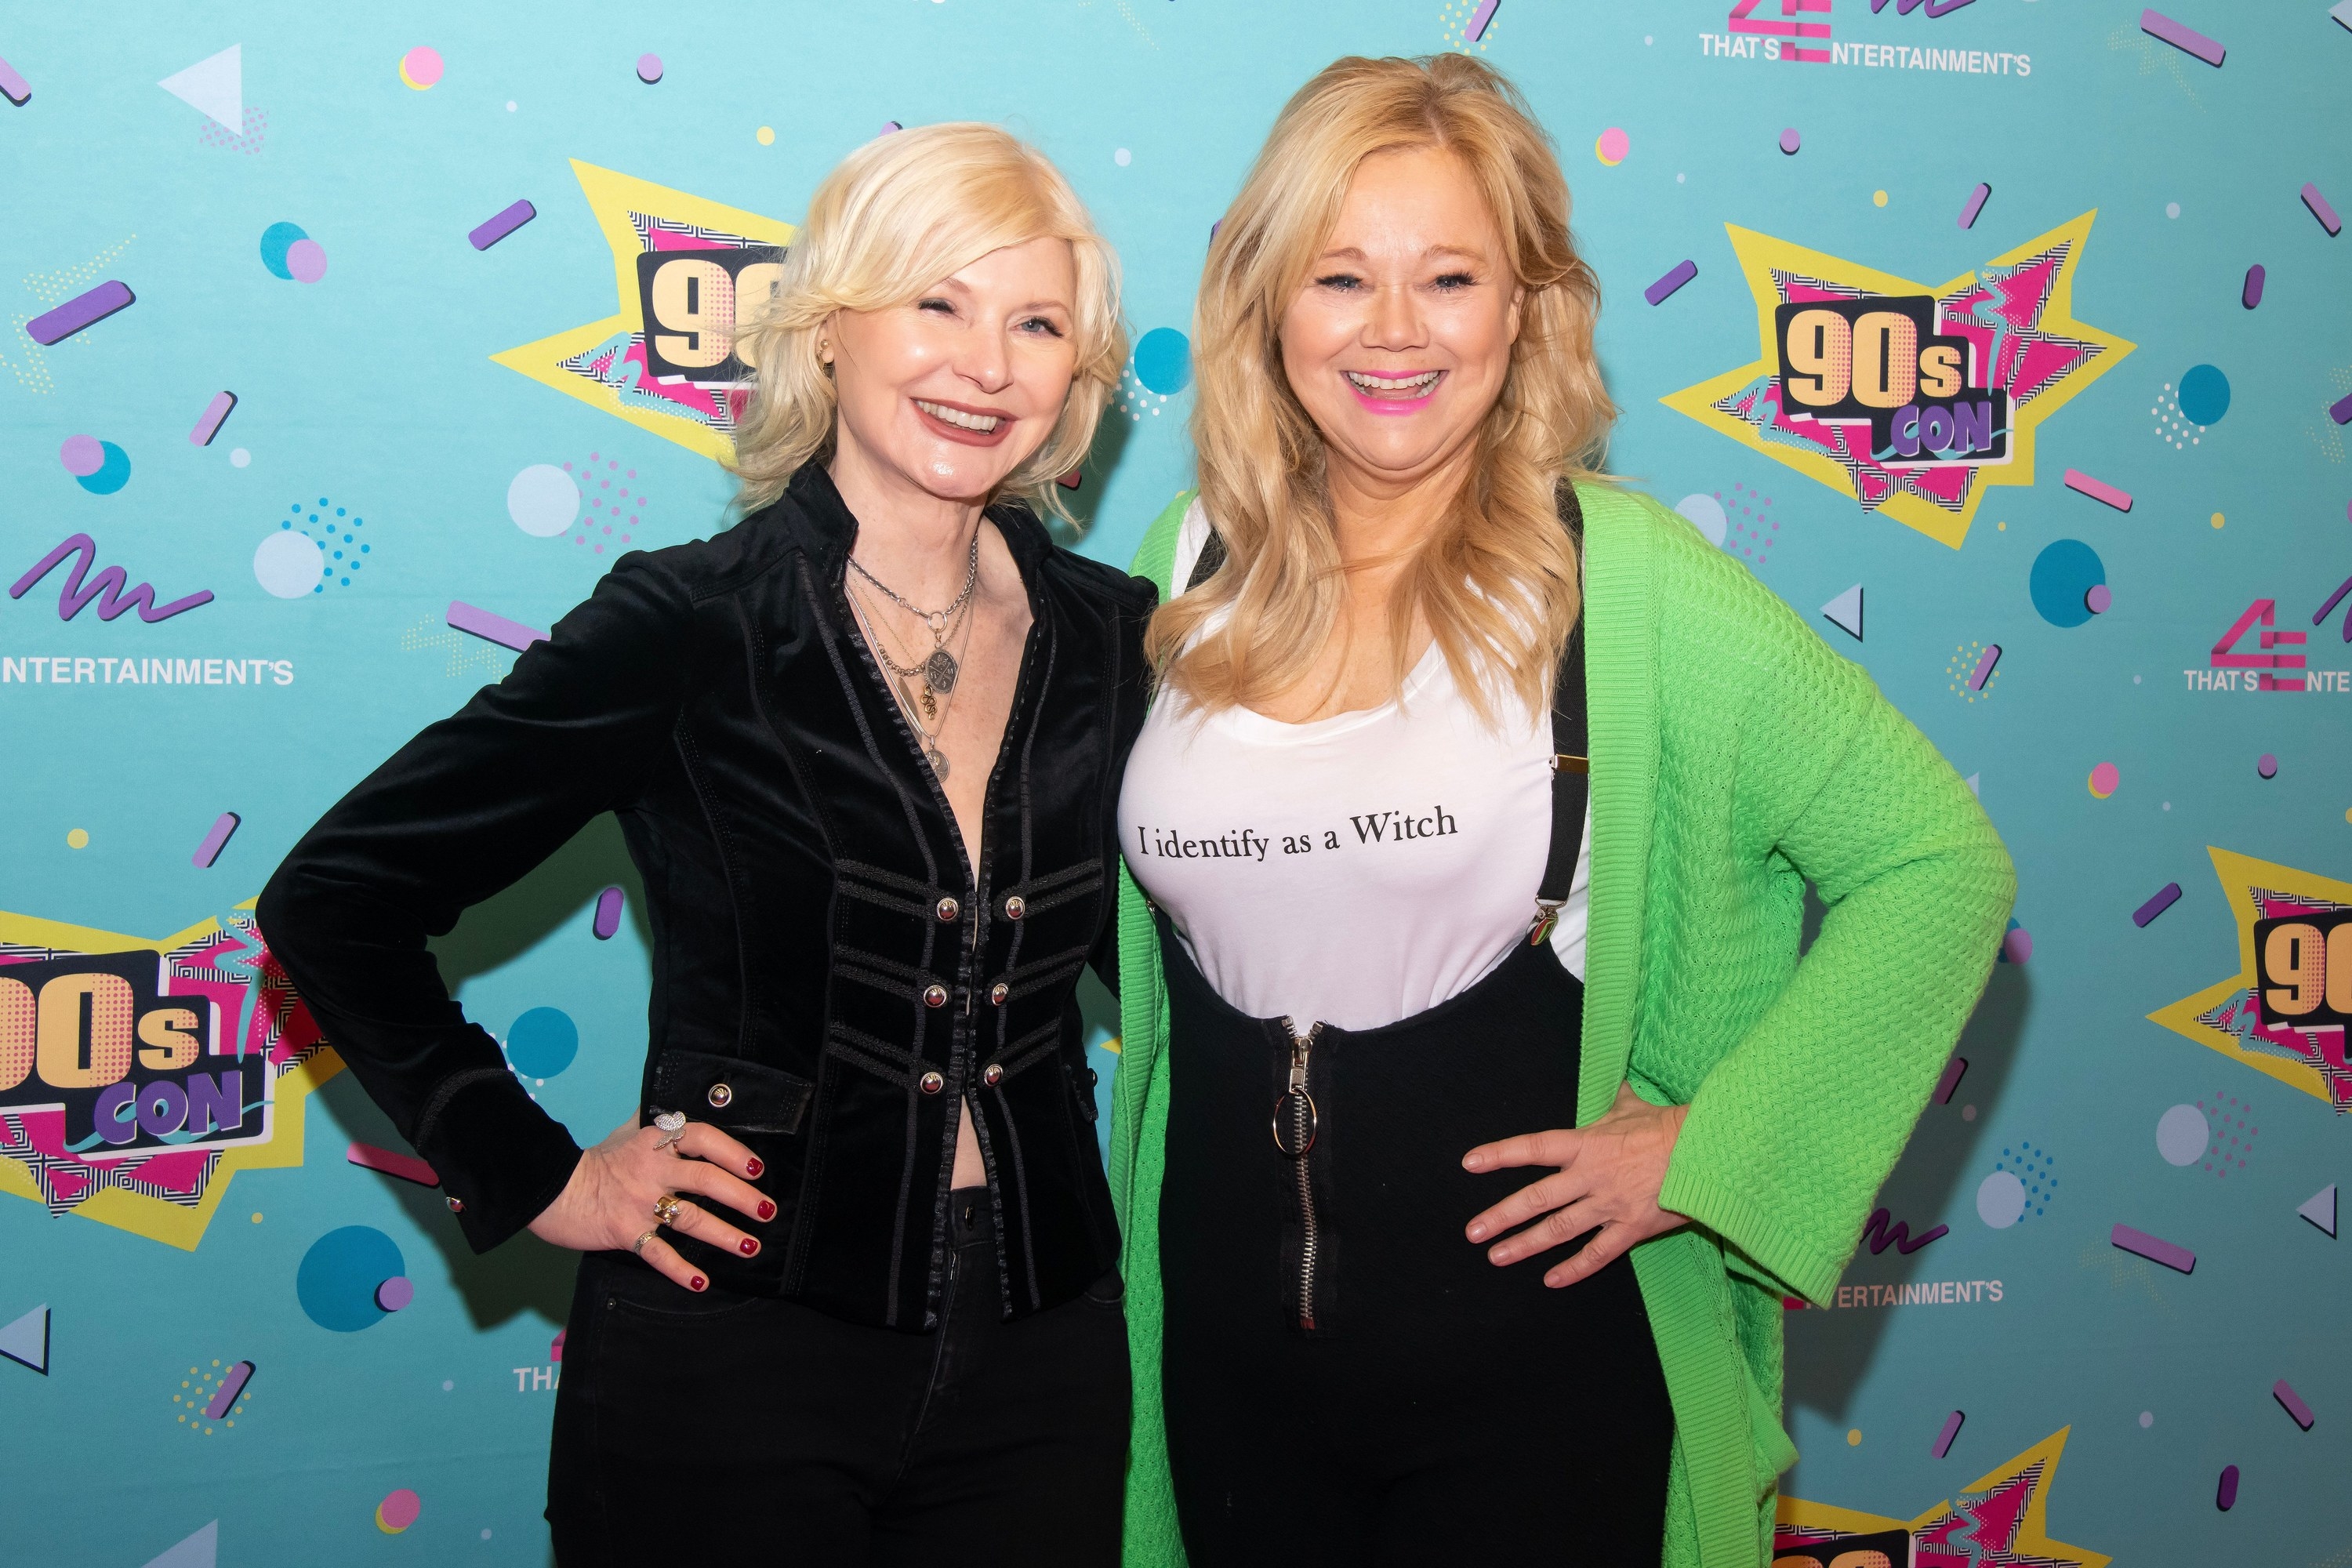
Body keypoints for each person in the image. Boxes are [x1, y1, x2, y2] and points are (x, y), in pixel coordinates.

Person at [1105, 55, 2015, 1566]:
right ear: (1269, 304)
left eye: (1449, 277)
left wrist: (1712, 1153)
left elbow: (1936, 861)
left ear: (1525, 309)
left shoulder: (1630, 582)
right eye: (1341, 276)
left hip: (1535, 1391)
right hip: (1224, 1374)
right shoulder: (1183, 561)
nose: (1395, 331)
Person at [259, 122, 1152, 1566]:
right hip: (732, 1349)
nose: (986, 363)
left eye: (1036, 321)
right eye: (937, 300)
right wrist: (544, 1175)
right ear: (829, 330)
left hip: (1042, 1354)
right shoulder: (692, 622)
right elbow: (336, 897)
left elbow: (1202, 957)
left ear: (1079, 377)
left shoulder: (1122, 638)